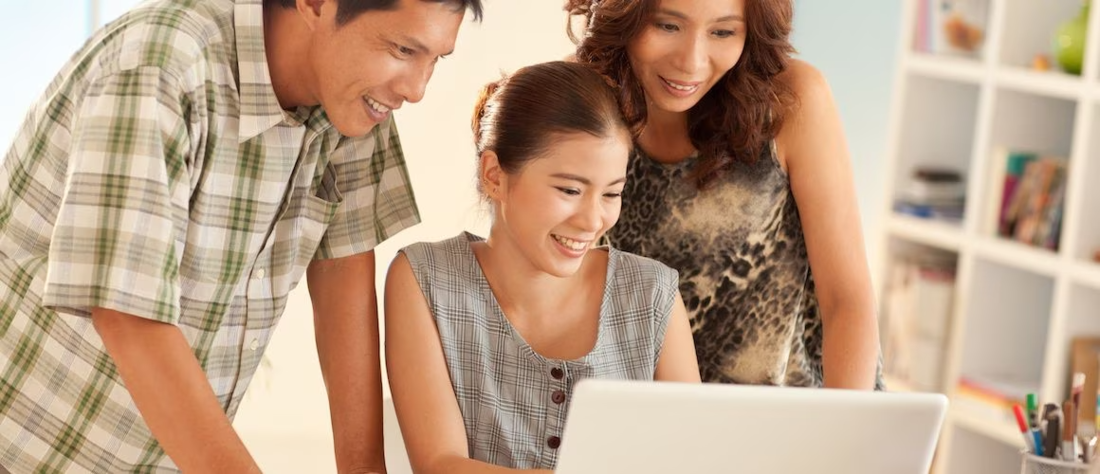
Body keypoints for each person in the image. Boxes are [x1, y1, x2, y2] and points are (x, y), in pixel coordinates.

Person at [0, 0, 482, 472]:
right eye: (402, 49)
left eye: (434, 59)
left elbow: (343, 274)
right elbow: (129, 318)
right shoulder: (160, 67)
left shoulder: (351, 101)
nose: (416, 89)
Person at [384, 60, 701, 473]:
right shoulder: (425, 279)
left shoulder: (653, 293)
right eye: (570, 189)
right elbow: (440, 464)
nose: (592, 221)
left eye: (611, 194)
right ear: (494, 176)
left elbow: (692, 458)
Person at [565, 0, 882, 389]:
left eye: (723, 32)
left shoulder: (791, 100)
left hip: (799, 419)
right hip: (650, 420)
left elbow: (847, 301)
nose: (691, 62)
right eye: (667, 26)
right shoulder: (579, 97)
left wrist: (845, 437)